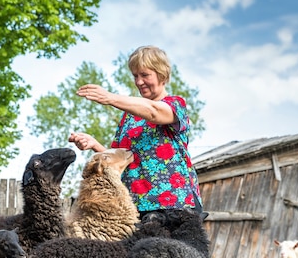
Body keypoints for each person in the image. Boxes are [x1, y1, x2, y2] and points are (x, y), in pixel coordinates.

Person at [69, 45, 202, 217]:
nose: (139, 82)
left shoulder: (176, 105)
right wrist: (94, 144)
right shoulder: (129, 117)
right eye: (135, 76)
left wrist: (111, 98)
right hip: (135, 207)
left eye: (145, 75)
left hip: (174, 206)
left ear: (162, 75)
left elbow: (154, 112)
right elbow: (120, 159)